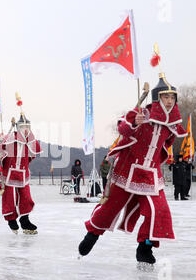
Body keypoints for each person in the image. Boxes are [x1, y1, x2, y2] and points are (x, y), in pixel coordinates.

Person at [78, 69, 187, 268]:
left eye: (172, 97)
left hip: (151, 175)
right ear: (157, 98)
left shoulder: (171, 123)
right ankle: (92, 234)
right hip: (127, 171)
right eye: (165, 96)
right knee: (109, 209)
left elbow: (167, 144)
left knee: (159, 211)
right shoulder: (141, 114)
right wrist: (134, 123)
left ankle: (145, 247)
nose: (169, 101)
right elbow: (123, 127)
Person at [0, 99, 42, 234]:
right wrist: (0, 139)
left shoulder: (30, 140)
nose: (26, 129)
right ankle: (11, 219)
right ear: (18, 127)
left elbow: (33, 153)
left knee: (26, 197)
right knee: (9, 197)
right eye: (23, 127)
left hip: (23, 173)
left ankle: (25, 220)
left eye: (28, 127)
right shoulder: (10, 138)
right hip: (8, 173)